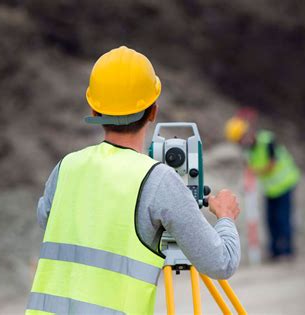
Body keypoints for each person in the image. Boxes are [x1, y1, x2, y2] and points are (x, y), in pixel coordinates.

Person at [26, 46, 241, 315]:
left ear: (94, 111)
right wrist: (226, 217)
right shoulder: (158, 181)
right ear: (153, 112)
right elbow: (221, 262)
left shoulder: (66, 166)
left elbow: (48, 218)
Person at [225, 111, 300, 261]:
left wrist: (256, 171)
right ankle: (275, 252)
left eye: (240, 139)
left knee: (282, 219)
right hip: (270, 188)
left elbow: (272, 164)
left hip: (284, 184)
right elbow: (249, 170)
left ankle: (287, 251)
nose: (241, 143)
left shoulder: (267, 140)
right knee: (270, 221)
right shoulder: (247, 151)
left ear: (246, 133)